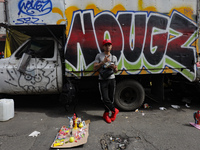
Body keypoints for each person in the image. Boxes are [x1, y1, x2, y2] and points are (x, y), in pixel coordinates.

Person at [94, 39, 119, 123]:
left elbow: (116, 71)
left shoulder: (114, 57)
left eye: (109, 45)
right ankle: (114, 110)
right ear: (103, 46)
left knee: (111, 98)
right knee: (105, 98)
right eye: (106, 45)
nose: (107, 47)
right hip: (102, 79)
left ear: (111, 46)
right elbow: (95, 67)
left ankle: (107, 114)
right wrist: (103, 62)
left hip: (111, 79)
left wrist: (113, 67)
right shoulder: (99, 56)